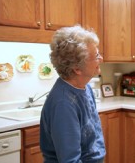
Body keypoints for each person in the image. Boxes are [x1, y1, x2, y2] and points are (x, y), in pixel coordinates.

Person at [40, 25, 106, 163]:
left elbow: (94, 136)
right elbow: (70, 160)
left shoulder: (85, 87)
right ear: (77, 68)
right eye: (96, 56)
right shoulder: (64, 104)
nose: (101, 59)